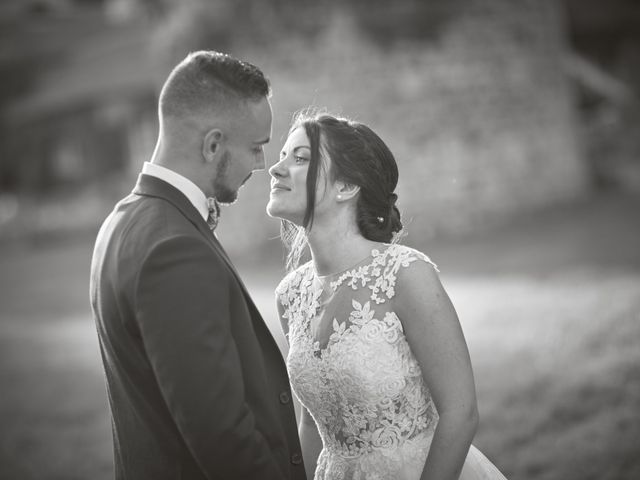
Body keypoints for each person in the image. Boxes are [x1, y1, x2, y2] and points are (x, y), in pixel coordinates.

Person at [90, 51, 305, 480]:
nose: (262, 165)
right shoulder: (174, 250)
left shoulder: (122, 221)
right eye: (256, 148)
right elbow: (223, 438)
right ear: (212, 145)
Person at [267, 112, 507, 480]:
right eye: (283, 155)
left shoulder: (405, 274)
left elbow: (460, 413)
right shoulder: (290, 296)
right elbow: (313, 427)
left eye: (299, 159)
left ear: (346, 186)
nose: (276, 169)